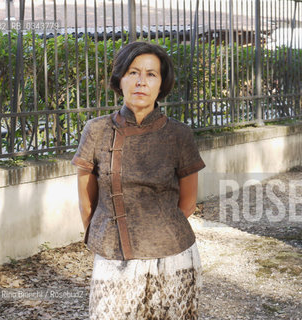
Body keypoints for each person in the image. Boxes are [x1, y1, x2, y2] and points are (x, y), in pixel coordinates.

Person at [71, 41, 205, 319]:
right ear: (120, 79)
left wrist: (155, 238)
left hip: (174, 257)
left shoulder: (179, 135)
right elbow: (87, 202)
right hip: (113, 254)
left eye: (151, 74)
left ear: (161, 85)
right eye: (133, 72)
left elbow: (188, 203)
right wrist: (107, 237)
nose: (141, 82)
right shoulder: (96, 130)